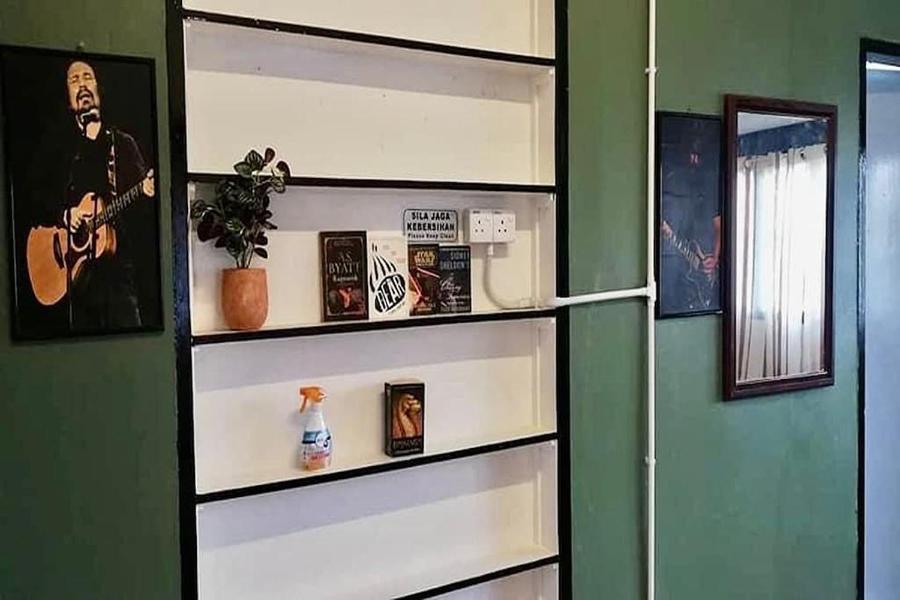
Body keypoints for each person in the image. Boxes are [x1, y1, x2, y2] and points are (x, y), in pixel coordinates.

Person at [58, 60, 155, 330]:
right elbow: (38, 198)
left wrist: (146, 191)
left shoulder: (122, 144)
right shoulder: (63, 152)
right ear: (68, 99)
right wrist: (67, 215)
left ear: (99, 90)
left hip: (117, 276)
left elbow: (147, 213)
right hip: (74, 280)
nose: (82, 84)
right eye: (74, 80)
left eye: (87, 77)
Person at [659, 127, 721, 312]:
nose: (694, 160)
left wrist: (715, 259)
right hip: (680, 265)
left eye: (697, 156)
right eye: (691, 155)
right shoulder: (672, 186)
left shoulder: (709, 188)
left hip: (703, 260)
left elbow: (720, 227)